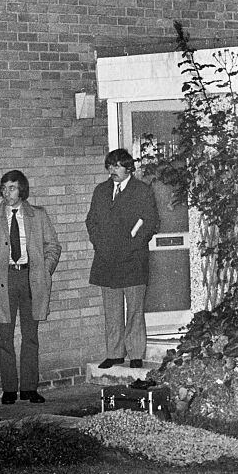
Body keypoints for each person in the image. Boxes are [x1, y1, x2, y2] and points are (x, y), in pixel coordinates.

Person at [0, 169, 61, 404]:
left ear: (22, 189)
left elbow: (53, 246)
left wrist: (44, 271)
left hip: (30, 279)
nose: (7, 193)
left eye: (11, 188)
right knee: (5, 337)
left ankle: (28, 388)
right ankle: (9, 389)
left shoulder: (38, 215)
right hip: (3, 282)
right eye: (3, 188)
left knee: (30, 336)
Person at [86, 148, 160, 369]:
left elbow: (150, 223)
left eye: (117, 165)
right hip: (106, 259)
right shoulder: (101, 191)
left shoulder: (142, 191)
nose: (112, 170)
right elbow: (91, 221)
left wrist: (130, 246)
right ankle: (115, 353)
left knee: (135, 309)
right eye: (110, 166)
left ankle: (136, 354)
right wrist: (100, 244)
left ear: (129, 168)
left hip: (133, 259)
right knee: (112, 309)